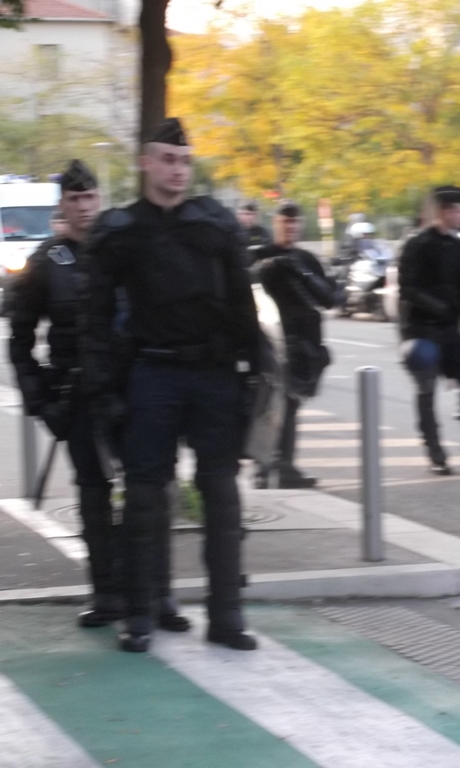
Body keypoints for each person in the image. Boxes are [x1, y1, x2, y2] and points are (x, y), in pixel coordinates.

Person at [82, 118, 261, 652]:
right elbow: (94, 318)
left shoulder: (216, 223)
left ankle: (226, 617)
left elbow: (242, 302)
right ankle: (139, 614)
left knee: (221, 495)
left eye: (184, 161)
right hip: (152, 373)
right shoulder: (120, 230)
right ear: (145, 163)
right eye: (166, 159)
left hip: (213, 372)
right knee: (142, 497)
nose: (177, 170)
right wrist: (102, 389)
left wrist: (254, 370)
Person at [9, 160, 125, 628]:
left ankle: (146, 594)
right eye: (75, 199)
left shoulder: (122, 252)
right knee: (94, 495)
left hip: (126, 389)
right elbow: (19, 340)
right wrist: (41, 401)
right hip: (76, 396)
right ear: (64, 205)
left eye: (89, 197)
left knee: (143, 489)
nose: (84, 207)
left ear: (100, 199)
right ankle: (107, 594)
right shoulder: (46, 262)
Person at [398, 186, 460, 475]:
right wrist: (439, 308)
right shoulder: (418, 244)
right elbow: (408, 289)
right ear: (444, 211)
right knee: (427, 389)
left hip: (450, 331)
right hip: (422, 330)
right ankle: (435, 451)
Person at [250, 201, 335, 488]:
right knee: (269, 404)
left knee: (291, 404)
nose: (290, 226)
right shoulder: (260, 255)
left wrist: (302, 273)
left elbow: (329, 298)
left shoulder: (306, 260)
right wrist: (266, 266)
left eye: (295, 221)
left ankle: (283, 465)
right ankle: (264, 467)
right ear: (275, 222)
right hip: (269, 340)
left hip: (302, 343)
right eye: (285, 221)